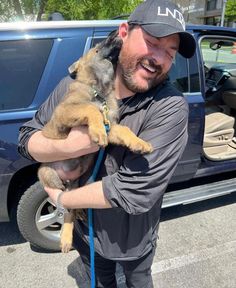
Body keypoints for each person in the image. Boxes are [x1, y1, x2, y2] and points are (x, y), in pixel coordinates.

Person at [18, 0, 196, 287]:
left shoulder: (170, 106)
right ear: (124, 32)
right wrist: (71, 146)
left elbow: (134, 191)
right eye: (152, 42)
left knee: (138, 281)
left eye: (171, 52)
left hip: (131, 239)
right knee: (100, 281)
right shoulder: (76, 83)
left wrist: (62, 200)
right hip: (84, 232)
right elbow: (28, 139)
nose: (160, 58)